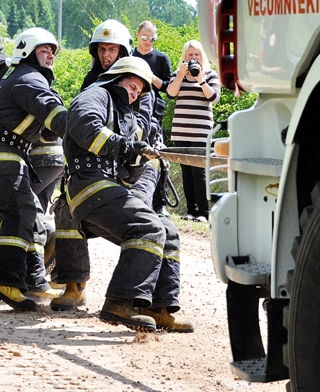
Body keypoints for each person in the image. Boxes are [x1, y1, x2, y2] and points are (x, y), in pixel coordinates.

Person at [52, 57, 193, 332]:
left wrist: (137, 160)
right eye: (131, 86)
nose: (134, 93)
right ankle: (120, 301)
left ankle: (157, 306)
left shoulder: (125, 115)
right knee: (147, 227)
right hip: (88, 187)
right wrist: (126, 147)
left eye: (139, 91)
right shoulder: (95, 95)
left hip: (108, 188)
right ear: (116, 79)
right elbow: (84, 127)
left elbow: (127, 173)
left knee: (168, 231)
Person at [0, 28, 67, 311]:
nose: (50, 56)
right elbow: (52, 114)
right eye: (44, 50)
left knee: (25, 213)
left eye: (52, 52)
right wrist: (83, 129)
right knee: (21, 213)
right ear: (28, 51)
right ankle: (4, 280)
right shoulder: (29, 78)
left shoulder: (17, 77)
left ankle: (31, 278)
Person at [165, 40, 221, 223]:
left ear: (202, 56)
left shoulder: (211, 74)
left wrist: (200, 80)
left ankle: (204, 213)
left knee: (199, 171)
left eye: (196, 54)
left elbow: (214, 98)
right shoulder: (177, 74)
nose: (193, 58)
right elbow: (171, 94)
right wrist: (181, 75)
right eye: (190, 55)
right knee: (186, 171)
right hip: (181, 130)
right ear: (185, 57)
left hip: (201, 131)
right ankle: (191, 210)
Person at [132, 21, 172, 216]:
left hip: (154, 113)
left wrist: (149, 75)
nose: (148, 42)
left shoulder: (161, 58)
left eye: (152, 38)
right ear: (137, 35)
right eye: (145, 37)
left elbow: (168, 87)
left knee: (160, 156)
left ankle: (160, 202)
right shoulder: (128, 55)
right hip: (131, 111)